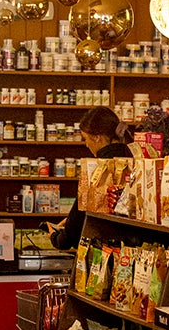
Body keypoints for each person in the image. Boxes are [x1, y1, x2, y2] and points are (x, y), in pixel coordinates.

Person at [50, 106, 129, 251]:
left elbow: (70, 236)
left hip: (104, 251)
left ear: (97, 136)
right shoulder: (134, 158)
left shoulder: (97, 168)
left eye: (86, 139)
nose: (86, 144)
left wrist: (55, 236)